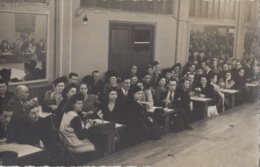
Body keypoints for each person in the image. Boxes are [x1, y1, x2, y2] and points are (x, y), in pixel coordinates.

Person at [59, 93, 103, 164]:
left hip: (67, 143)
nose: (82, 105)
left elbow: (74, 127)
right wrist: (87, 125)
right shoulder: (75, 117)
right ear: (72, 105)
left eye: (82, 103)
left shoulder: (67, 113)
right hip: (75, 145)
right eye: (79, 103)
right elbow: (82, 136)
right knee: (99, 148)